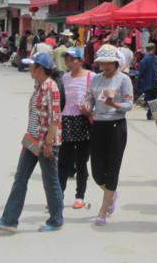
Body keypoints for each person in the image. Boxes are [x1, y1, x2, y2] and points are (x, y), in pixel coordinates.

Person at [0, 52, 63, 233]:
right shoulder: (38, 85)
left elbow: (55, 119)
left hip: (45, 142)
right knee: (20, 178)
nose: (29, 68)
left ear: (39, 68)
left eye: (31, 65)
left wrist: (48, 145)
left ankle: (56, 220)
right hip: (32, 140)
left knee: (50, 181)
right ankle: (9, 220)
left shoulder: (51, 87)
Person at [83, 45, 133, 225]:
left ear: (115, 62)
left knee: (112, 167)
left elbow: (129, 105)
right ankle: (111, 193)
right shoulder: (96, 79)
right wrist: (87, 106)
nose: (105, 67)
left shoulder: (124, 79)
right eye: (102, 63)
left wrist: (115, 105)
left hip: (116, 125)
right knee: (96, 171)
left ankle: (103, 210)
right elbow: (89, 97)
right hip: (97, 125)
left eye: (108, 63)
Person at [56, 46, 94, 210]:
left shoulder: (91, 77)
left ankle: (80, 196)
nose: (69, 62)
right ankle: (59, 195)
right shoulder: (64, 78)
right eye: (67, 59)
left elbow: (96, 97)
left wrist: (90, 110)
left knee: (81, 162)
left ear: (80, 60)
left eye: (72, 59)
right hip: (66, 121)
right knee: (63, 161)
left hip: (84, 121)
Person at [138, 43, 157, 120]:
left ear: (146, 50)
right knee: (154, 98)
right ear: (154, 49)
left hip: (147, 83)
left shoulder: (143, 60)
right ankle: (150, 112)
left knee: (149, 98)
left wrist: (138, 83)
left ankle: (150, 112)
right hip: (156, 82)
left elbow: (141, 73)